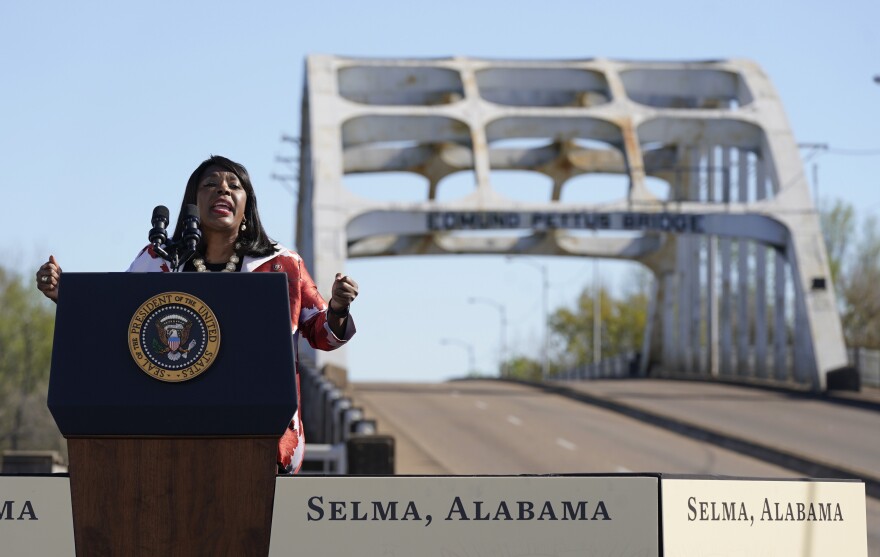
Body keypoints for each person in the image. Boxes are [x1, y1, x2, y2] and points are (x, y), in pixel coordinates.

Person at [36, 155, 357, 474]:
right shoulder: (160, 260)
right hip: (166, 431)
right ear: (193, 202)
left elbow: (322, 334)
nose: (223, 191)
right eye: (211, 185)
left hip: (259, 436)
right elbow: (116, 319)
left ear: (248, 206)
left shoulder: (281, 265)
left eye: (234, 186)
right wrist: (65, 296)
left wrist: (339, 308)